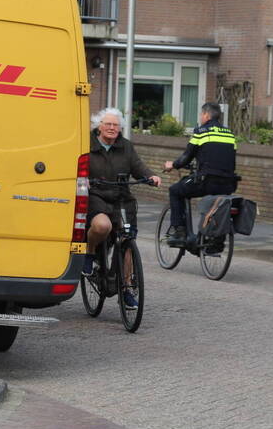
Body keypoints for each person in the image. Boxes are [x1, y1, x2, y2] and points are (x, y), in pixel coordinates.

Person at [86, 107, 161, 308]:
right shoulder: (87, 144)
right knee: (102, 227)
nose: (111, 128)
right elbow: (76, 166)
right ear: (99, 126)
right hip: (97, 196)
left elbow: (138, 167)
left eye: (116, 125)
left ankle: (126, 289)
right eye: (108, 124)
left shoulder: (126, 147)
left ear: (120, 129)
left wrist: (150, 176)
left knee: (127, 241)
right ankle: (90, 252)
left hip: (121, 199)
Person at [163, 102, 238, 246]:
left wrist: (172, 165)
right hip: (228, 184)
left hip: (207, 182)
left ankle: (179, 232)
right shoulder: (230, 134)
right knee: (215, 202)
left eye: (201, 114)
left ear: (206, 115)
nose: (200, 117)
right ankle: (215, 237)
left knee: (175, 191)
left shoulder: (201, 131)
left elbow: (186, 157)